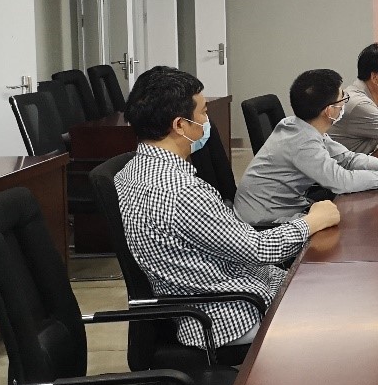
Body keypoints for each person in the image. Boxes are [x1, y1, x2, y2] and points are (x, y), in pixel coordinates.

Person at [114, 66, 340, 357]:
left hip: (212, 293)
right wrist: (311, 222)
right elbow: (258, 249)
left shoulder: (130, 172)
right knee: (336, 318)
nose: (207, 121)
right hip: (229, 315)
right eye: (203, 113)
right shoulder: (181, 191)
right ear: (180, 125)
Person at [234, 69, 378, 226]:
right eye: (342, 99)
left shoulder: (302, 125)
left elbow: (346, 158)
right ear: (329, 111)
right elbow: (341, 181)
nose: (345, 101)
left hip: (287, 205)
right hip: (265, 222)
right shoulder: (302, 142)